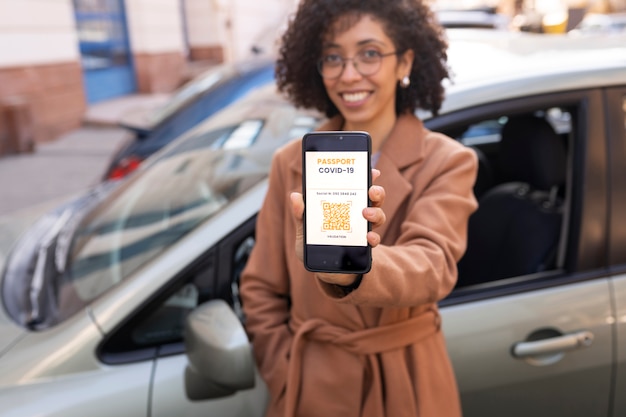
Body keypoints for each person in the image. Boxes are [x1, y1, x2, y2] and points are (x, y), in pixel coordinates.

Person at [239, 0, 478, 416]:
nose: (349, 74)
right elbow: (261, 288)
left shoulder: (447, 161)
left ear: (404, 62)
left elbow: (432, 265)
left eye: (369, 53)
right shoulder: (289, 162)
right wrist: (285, 371)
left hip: (405, 387)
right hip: (309, 389)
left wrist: (353, 268)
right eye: (333, 57)